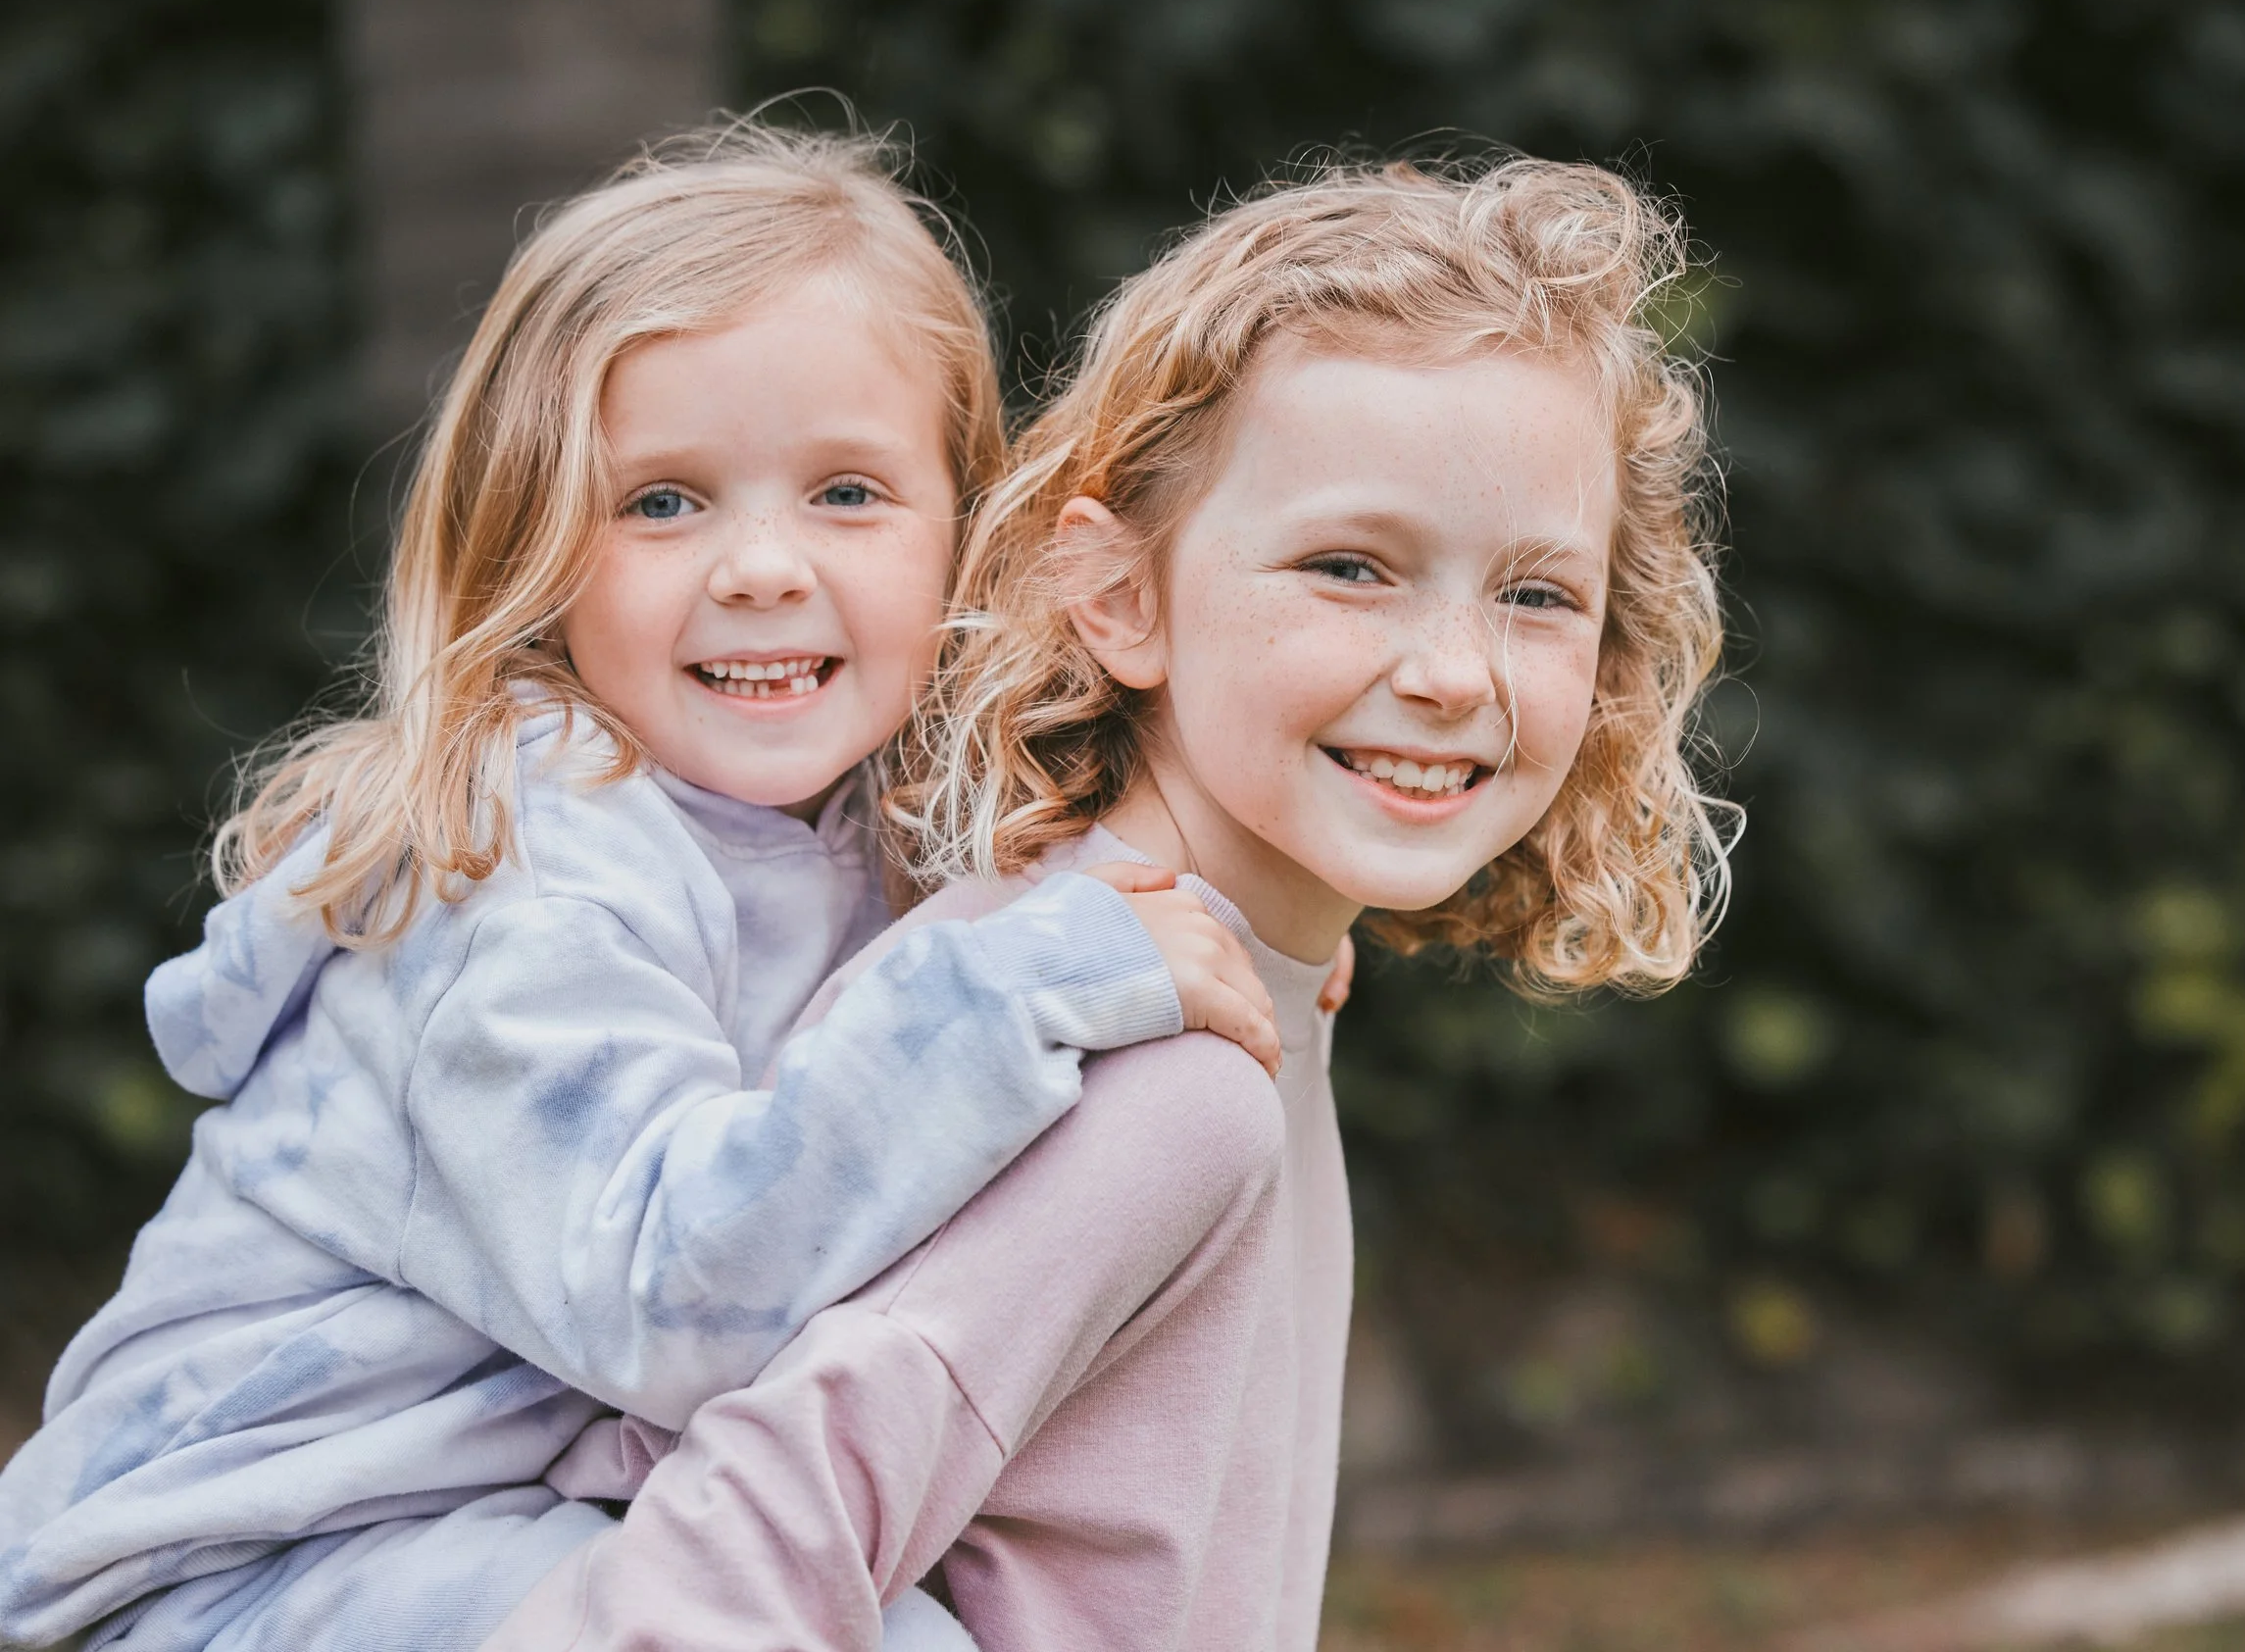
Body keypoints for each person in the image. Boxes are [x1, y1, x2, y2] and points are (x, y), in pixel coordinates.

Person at [0, 125, 1288, 1652]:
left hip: (504, 1526)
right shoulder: (518, 868)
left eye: (849, 493)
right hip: (247, 1563)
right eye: (664, 502)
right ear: (530, 549)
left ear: (966, 532)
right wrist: (1033, 980)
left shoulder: (871, 819)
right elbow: (680, 1305)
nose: (760, 565)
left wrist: (1214, 909)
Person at [482, 151, 1733, 1652]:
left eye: (1536, 594)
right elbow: (729, 1555)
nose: (1454, 672)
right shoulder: (1139, 1066)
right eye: (1352, 567)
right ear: (1122, 597)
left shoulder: (1215, 973)